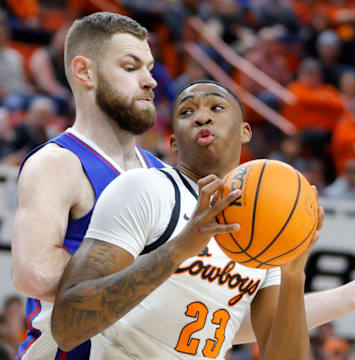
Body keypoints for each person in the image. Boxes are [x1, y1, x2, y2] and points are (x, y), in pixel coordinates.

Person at [51, 80, 319, 359]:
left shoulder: (266, 225)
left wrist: (293, 275)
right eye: (186, 112)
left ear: (245, 132)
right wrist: (180, 249)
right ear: (174, 141)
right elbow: (66, 328)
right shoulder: (146, 189)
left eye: (216, 107)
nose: (202, 116)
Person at [11, 12, 164, 360]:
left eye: (150, 68)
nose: (150, 81)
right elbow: (34, 272)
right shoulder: (59, 163)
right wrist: (164, 274)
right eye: (131, 67)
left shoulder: (164, 176)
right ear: (85, 73)